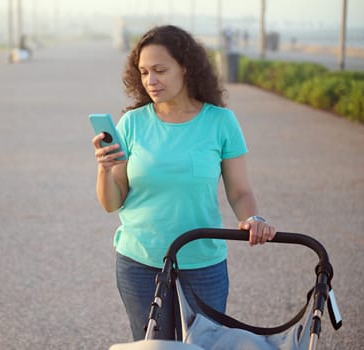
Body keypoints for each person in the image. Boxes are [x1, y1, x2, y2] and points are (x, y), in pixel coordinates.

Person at [91, 25, 276, 340]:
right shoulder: (132, 123)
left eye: (160, 70)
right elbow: (112, 203)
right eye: (145, 71)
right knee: (152, 346)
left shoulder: (221, 122)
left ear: (186, 67)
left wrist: (252, 219)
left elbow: (240, 191)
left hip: (203, 262)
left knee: (203, 346)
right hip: (139, 261)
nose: (151, 80)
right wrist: (104, 169)